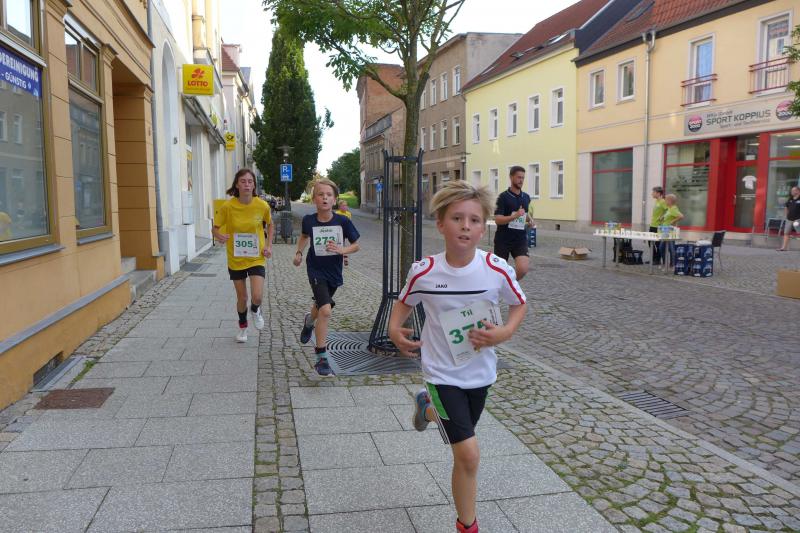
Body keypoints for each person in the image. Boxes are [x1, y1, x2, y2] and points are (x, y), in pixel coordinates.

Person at [389, 180, 527, 533]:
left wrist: (504, 332)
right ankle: (468, 526)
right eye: (457, 218)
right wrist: (394, 329)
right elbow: (404, 302)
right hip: (440, 374)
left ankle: (427, 409)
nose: (466, 226)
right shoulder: (424, 271)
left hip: (480, 374)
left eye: (474, 220)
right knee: (467, 455)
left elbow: (518, 305)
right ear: (440, 223)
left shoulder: (497, 269)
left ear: (483, 228)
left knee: (461, 438)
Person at [294, 178, 360, 376]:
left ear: (334, 199)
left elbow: (356, 245)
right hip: (315, 269)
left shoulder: (343, 221)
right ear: (314, 198)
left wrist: (342, 250)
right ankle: (321, 358)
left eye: (329, 195)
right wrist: (299, 253)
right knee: (325, 310)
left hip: (334, 272)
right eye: (320, 194)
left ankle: (308, 321)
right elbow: (304, 236)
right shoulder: (309, 220)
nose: (325, 198)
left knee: (320, 306)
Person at [212, 168, 274, 343]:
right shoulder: (228, 206)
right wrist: (219, 236)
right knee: (242, 297)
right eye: (243, 181)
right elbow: (215, 228)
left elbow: (270, 224)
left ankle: (255, 310)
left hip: (256, 257)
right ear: (237, 185)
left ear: (254, 185)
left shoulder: (262, 205)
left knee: (257, 296)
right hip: (236, 258)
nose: (247, 184)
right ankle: (243, 328)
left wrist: (268, 245)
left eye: (250, 181)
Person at [492, 166, 532, 280]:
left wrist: (529, 220)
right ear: (511, 177)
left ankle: (510, 285)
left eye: (523, 178)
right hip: (503, 239)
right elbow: (498, 219)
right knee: (499, 272)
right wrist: (514, 216)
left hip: (520, 239)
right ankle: (501, 286)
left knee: (523, 269)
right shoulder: (503, 197)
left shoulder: (526, 197)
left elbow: (524, 214)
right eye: (519, 177)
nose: (521, 180)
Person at [659, 194, 684, 267]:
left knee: (670, 248)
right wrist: (662, 217)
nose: (665, 201)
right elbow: (669, 215)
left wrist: (673, 221)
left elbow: (681, 216)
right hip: (665, 230)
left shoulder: (673, 208)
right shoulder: (669, 208)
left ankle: (672, 264)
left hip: (670, 231)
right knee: (662, 248)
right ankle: (665, 263)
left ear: (669, 201)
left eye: (666, 200)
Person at [777, 185, 800, 251]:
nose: (792, 192)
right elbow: (786, 207)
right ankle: (784, 248)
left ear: (798, 191)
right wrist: (786, 216)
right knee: (786, 233)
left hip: (798, 220)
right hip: (789, 219)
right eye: (791, 190)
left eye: (793, 190)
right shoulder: (790, 199)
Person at [649, 186, 667, 265]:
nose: (652, 194)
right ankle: (653, 259)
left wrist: (663, 217)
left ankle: (657, 260)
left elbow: (669, 210)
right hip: (652, 225)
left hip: (659, 226)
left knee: (657, 244)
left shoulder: (663, 201)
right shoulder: (657, 201)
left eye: (653, 192)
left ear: (658, 193)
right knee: (650, 242)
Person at [335, 200, 352, 265]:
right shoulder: (337, 213)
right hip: (339, 231)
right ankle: (345, 257)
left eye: (346, 205)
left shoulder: (348, 213)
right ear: (339, 207)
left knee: (345, 244)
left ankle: (344, 256)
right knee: (342, 243)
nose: (345, 207)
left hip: (346, 231)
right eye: (343, 206)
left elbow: (350, 223)